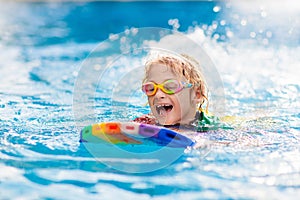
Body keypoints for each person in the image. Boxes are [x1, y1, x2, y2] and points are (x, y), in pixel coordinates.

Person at [133, 53, 229, 132]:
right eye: (151, 88)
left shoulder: (213, 127)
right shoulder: (147, 122)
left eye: (170, 86)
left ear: (196, 94)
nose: (158, 95)